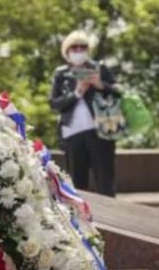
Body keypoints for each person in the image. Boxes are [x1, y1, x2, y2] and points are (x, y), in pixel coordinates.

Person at [49, 30, 122, 197]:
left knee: (105, 183)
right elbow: (54, 103)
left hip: (100, 132)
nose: (79, 50)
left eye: (83, 47)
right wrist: (76, 93)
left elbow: (118, 92)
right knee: (77, 185)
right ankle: (81, 222)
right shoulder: (61, 73)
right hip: (72, 134)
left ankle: (108, 221)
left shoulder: (99, 68)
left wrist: (100, 84)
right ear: (67, 51)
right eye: (74, 47)